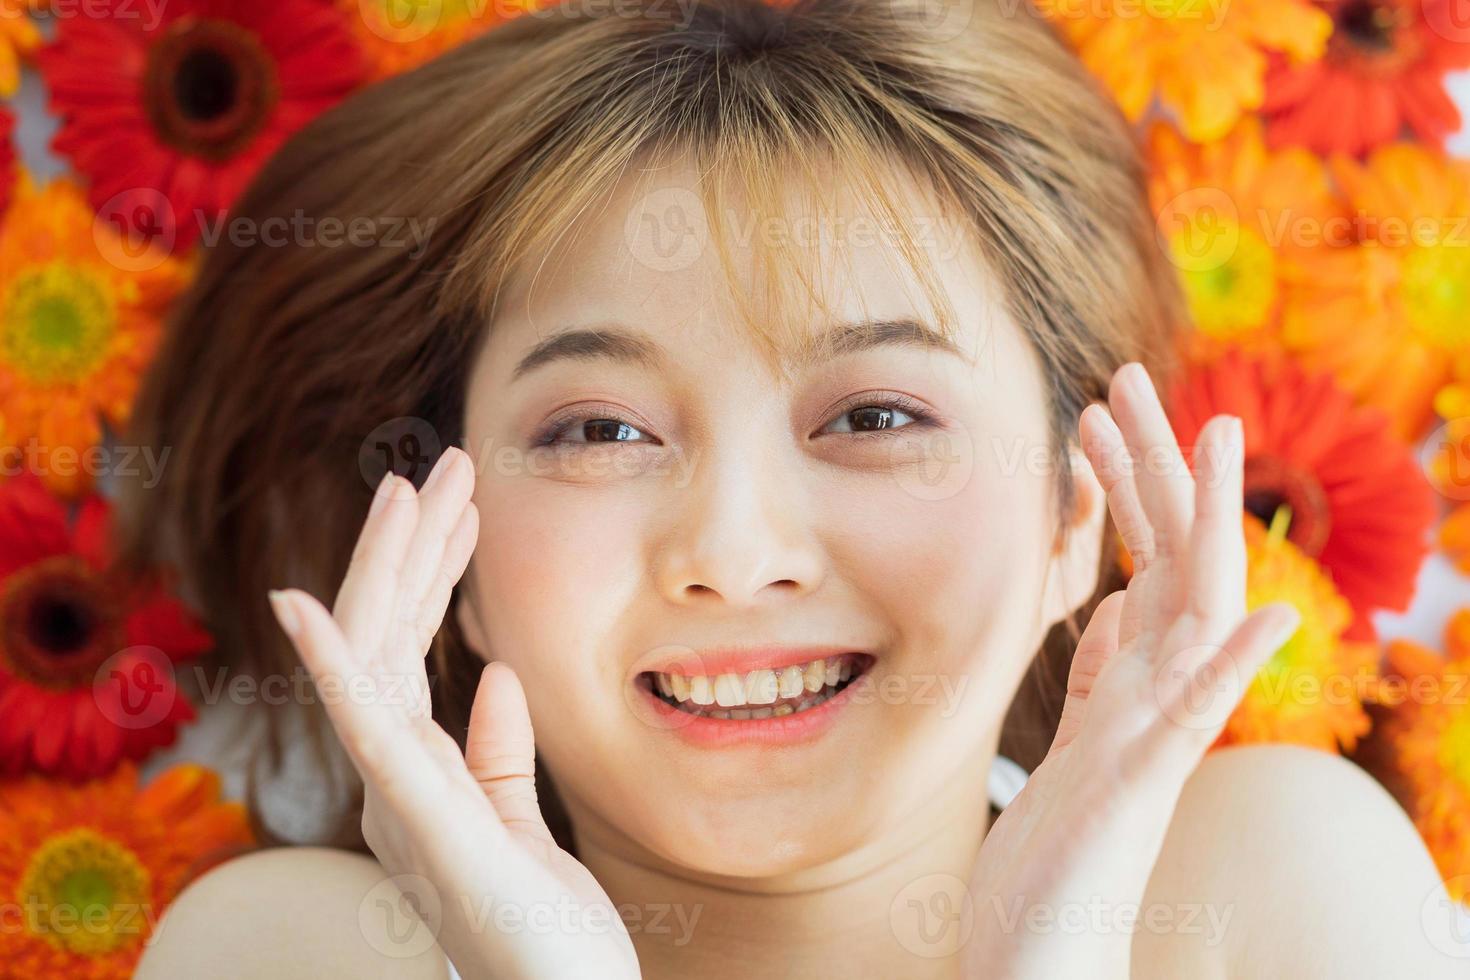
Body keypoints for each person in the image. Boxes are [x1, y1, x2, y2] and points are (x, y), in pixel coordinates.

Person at [122, 0, 1462, 976]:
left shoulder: (1264, 884)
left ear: (1074, 520)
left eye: (875, 414)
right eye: (596, 430)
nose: (733, 549)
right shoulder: (294, 951)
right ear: (450, 568)